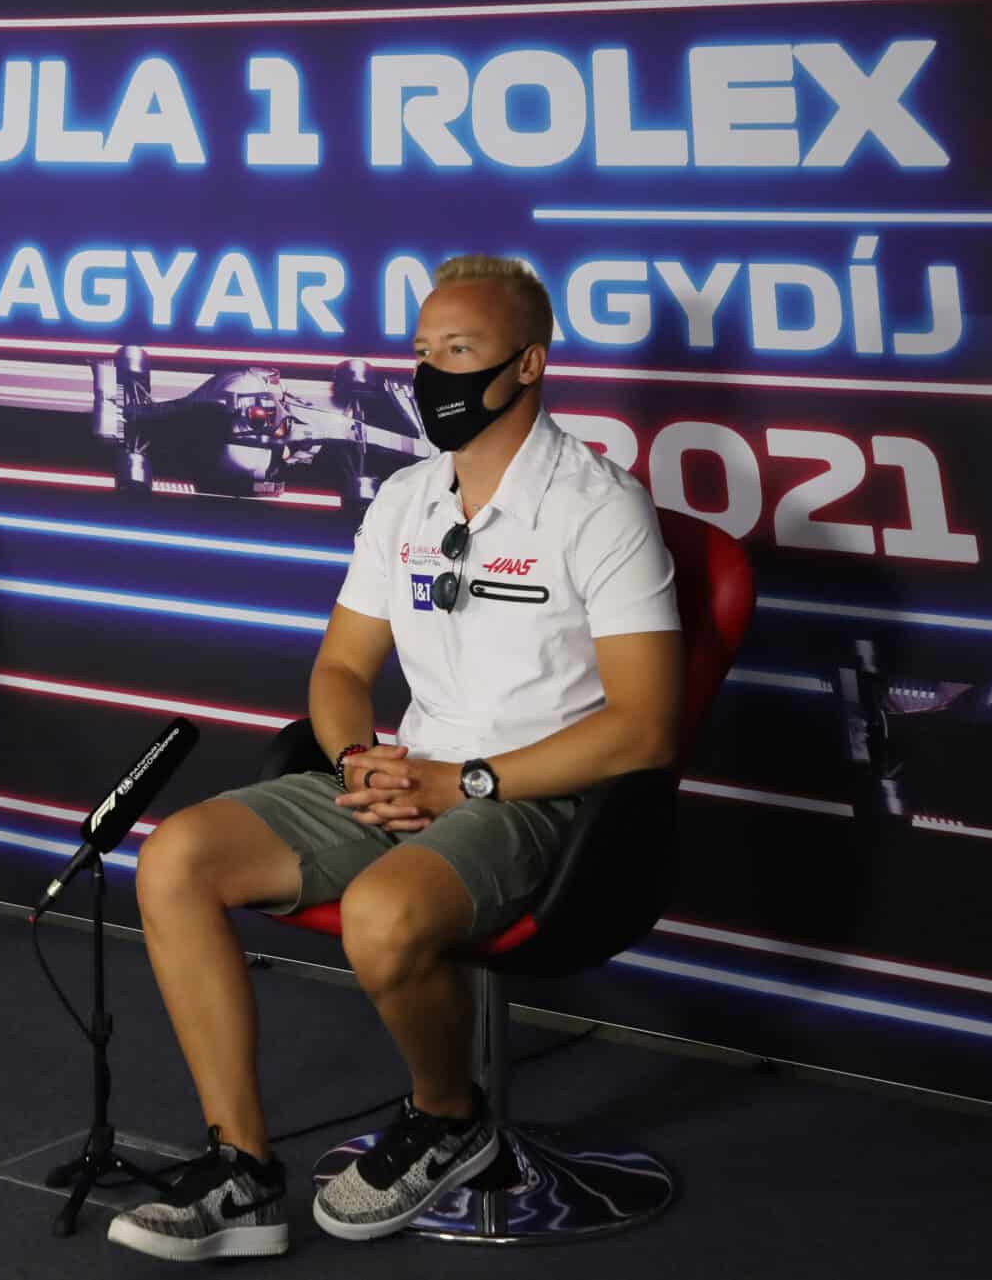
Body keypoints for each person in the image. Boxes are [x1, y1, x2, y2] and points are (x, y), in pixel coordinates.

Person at [107, 255, 683, 1260]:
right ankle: (242, 1172)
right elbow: (340, 668)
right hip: (408, 774)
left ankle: (447, 1117)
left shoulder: (600, 507)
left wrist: (463, 782)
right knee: (174, 859)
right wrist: (356, 759)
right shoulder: (406, 498)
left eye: (459, 351)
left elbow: (643, 728)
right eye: (423, 352)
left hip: (539, 799)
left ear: (528, 363)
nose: (432, 376)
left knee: (381, 915)